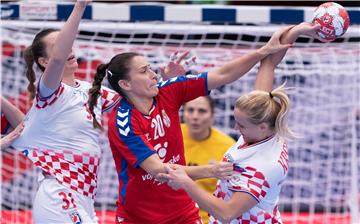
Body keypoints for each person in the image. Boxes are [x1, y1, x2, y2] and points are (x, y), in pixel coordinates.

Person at [87, 21, 304, 223]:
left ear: (263, 125)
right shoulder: (124, 121)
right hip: (140, 215)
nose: (154, 74)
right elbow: (158, 171)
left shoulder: (167, 91)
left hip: (183, 212)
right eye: (144, 71)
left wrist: (264, 51)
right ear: (125, 84)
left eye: (151, 68)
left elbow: (223, 74)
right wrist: (210, 171)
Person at [163, 23, 320, 224]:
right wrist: (297, 32)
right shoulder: (266, 120)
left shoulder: (264, 166)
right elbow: (269, 64)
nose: (236, 129)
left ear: (262, 126)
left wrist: (187, 183)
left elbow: (227, 213)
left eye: (241, 125)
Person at [10, 1, 121, 223]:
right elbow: (59, 58)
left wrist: (166, 80)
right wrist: (80, 7)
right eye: (60, 44)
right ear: (43, 62)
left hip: (85, 196)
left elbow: (137, 101)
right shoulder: (51, 91)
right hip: (60, 192)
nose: (69, 48)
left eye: (69, 43)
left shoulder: (92, 91)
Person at [182, 96, 236, 223]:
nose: (195, 116)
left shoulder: (228, 147)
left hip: (208, 218)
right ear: (183, 113)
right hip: (172, 214)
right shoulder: (171, 136)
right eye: (190, 110)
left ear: (212, 116)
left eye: (202, 111)